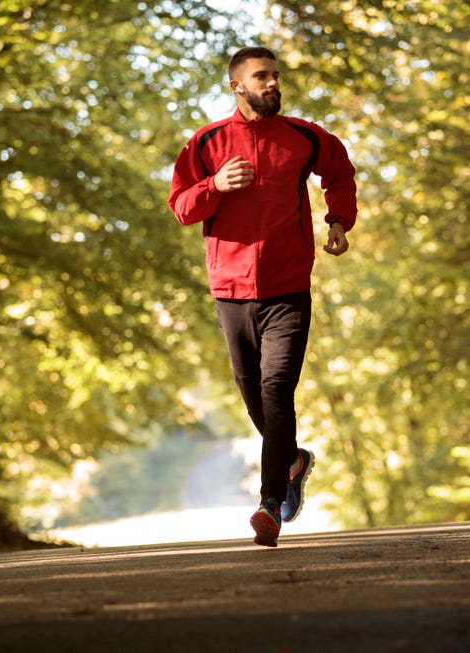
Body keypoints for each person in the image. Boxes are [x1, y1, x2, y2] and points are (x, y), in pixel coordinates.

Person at [168, 46, 357, 547]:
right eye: (261, 77)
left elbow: (339, 172)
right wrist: (215, 184)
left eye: (276, 75)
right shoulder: (207, 142)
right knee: (253, 394)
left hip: (288, 285)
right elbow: (182, 206)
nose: (272, 83)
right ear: (237, 85)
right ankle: (293, 459)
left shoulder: (303, 136)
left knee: (277, 390)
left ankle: (269, 502)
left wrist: (338, 221)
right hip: (230, 289)